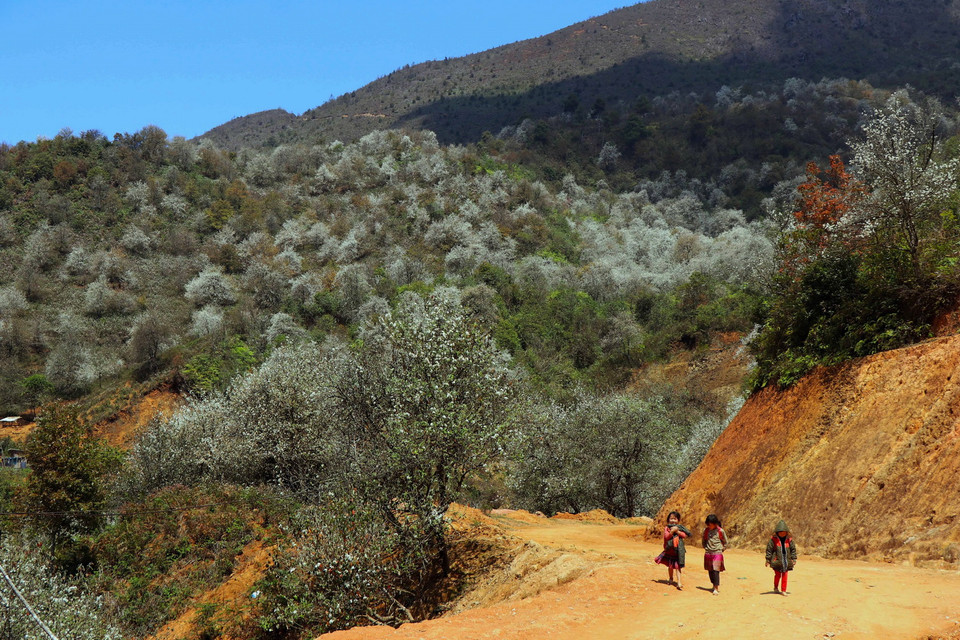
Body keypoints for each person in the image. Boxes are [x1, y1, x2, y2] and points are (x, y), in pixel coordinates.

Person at [654, 510, 690, 590]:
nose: (673, 520)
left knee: (678, 567)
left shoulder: (680, 528)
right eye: (671, 518)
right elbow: (666, 537)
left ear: (678, 520)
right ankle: (671, 578)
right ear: (668, 520)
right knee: (670, 566)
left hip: (678, 551)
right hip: (670, 550)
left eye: (675, 519)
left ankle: (679, 582)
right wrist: (672, 532)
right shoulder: (667, 528)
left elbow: (684, 535)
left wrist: (677, 531)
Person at [765, 519, 797, 595]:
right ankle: (775, 587)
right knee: (778, 575)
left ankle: (783, 590)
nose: (782, 534)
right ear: (777, 532)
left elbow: (793, 550)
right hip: (777, 560)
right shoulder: (773, 540)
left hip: (786, 560)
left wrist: (794, 558)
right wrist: (768, 560)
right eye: (780, 532)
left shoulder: (789, 540)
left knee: (785, 574)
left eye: (784, 532)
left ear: (786, 532)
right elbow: (769, 550)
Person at [702, 513, 727, 595]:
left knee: (716, 570)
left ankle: (716, 588)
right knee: (710, 570)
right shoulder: (706, 531)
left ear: (715, 523)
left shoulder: (720, 531)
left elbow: (725, 541)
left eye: (711, 524)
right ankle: (713, 584)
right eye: (708, 524)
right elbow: (704, 541)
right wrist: (706, 547)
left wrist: (722, 549)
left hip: (717, 552)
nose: (709, 525)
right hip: (708, 553)